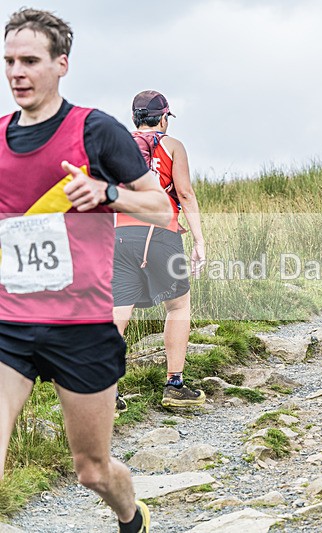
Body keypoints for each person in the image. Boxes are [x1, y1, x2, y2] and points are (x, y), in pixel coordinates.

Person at [0, 8, 171, 533]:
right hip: (11, 319)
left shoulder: (95, 131)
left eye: (30, 60)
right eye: (9, 61)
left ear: (62, 65)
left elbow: (162, 208)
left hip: (81, 324)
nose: (16, 73)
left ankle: (130, 514)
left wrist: (106, 192)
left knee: (91, 470)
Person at [113, 90, 206, 410]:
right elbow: (186, 194)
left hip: (121, 234)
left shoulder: (117, 145)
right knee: (178, 307)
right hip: (162, 235)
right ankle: (175, 385)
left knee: (118, 311)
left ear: (134, 118)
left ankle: (105, 390)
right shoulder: (173, 146)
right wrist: (199, 240)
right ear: (164, 118)